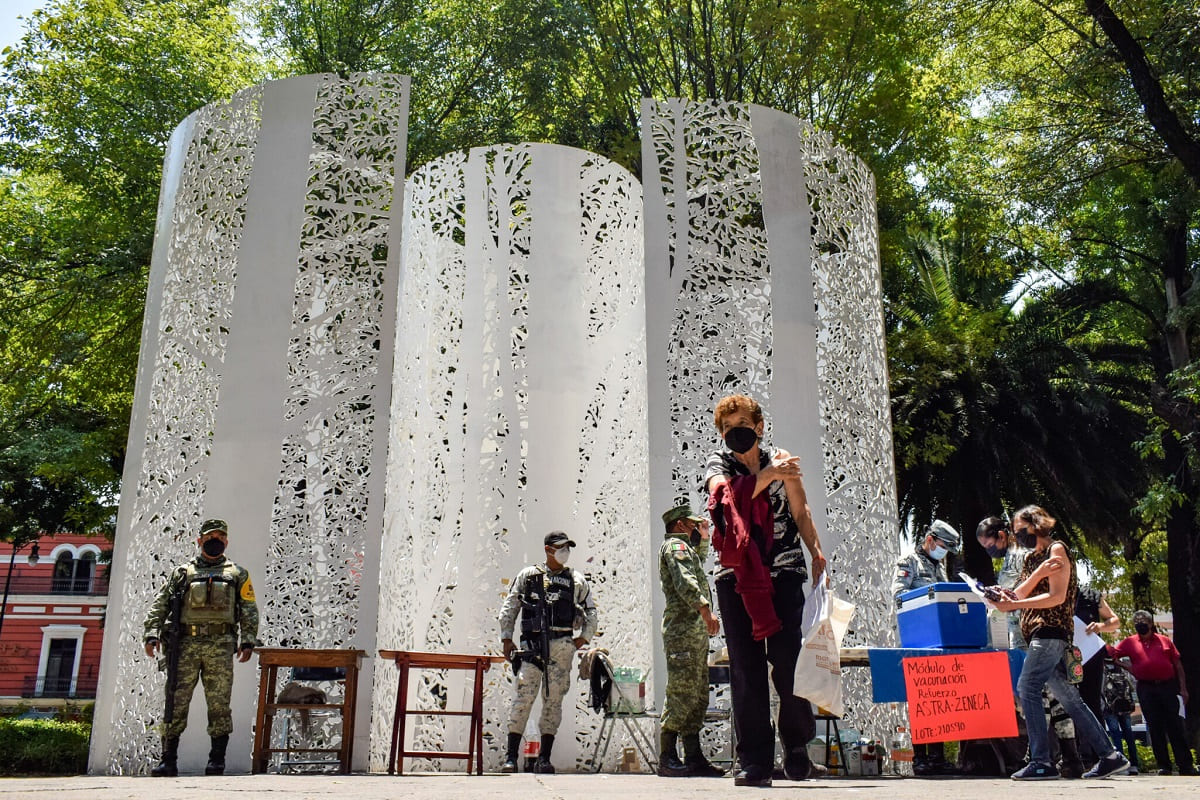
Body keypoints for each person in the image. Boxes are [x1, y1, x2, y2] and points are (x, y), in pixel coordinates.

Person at [703, 394, 827, 787]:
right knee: (746, 669)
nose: (733, 432)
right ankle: (754, 759)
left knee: (789, 663)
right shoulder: (718, 463)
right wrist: (770, 476)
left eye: (740, 423)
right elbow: (725, 498)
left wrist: (816, 551)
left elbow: (799, 510)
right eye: (726, 428)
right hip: (737, 577)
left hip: (784, 571)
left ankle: (796, 747)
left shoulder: (781, 458)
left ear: (758, 426)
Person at [993, 505, 1130, 780]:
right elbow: (1019, 593)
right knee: (1071, 699)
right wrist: (1005, 593)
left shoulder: (1057, 550)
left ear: (1037, 525)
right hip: (1037, 633)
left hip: (1051, 632)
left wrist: (1019, 599)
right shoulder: (1034, 559)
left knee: (1027, 687)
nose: (1017, 535)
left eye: (1021, 529)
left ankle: (1041, 761)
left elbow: (1056, 597)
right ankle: (1110, 756)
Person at [143, 519, 259, 777]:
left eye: (219, 536)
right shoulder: (182, 573)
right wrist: (152, 633)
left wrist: (248, 640)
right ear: (199, 541)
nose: (214, 540)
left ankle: (216, 761)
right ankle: (168, 759)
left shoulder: (237, 573)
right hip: (185, 645)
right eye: (209, 537)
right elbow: (160, 604)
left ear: (226, 541)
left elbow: (249, 609)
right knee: (175, 702)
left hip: (220, 645)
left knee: (219, 704)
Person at [977, 516, 1084, 777]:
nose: (989, 550)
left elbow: (1022, 593)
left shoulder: (1023, 556)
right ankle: (1068, 757)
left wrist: (1001, 597)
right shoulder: (1022, 555)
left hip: (1033, 633)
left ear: (1003, 535)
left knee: (1036, 695)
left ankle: (1041, 757)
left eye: (990, 544)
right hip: (1032, 631)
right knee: (1054, 695)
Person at [498, 530, 599, 774]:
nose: (565, 551)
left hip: (561, 644)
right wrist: (506, 638)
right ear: (548, 549)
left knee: (554, 702)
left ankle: (544, 758)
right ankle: (511, 757)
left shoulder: (575, 579)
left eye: (568, 547)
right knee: (524, 698)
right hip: (531, 645)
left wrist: (582, 638)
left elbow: (591, 611)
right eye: (561, 547)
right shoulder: (529, 575)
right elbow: (510, 606)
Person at [656, 504, 726, 777]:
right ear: (680, 525)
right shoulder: (675, 547)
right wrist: (706, 610)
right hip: (682, 630)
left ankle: (694, 756)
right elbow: (686, 581)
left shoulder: (684, 549)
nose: (697, 527)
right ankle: (667, 756)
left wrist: (705, 538)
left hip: (691, 632)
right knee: (681, 691)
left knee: (697, 694)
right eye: (693, 524)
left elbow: (695, 563)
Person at [891, 519, 961, 776]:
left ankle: (938, 757)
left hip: (940, 641)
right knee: (921, 700)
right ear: (930, 539)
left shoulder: (939, 567)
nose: (944, 553)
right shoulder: (909, 561)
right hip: (916, 640)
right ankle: (920, 758)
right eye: (943, 546)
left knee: (939, 700)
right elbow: (898, 595)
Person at [1108, 610, 1197, 776]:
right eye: (1137, 621)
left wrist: (1183, 688)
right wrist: (1129, 667)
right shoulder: (1129, 642)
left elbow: (1178, 665)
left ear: (1151, 624)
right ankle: (1164, 765)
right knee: (1155, 727)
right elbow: (1112, 655)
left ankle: (1186, 765)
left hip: (1168, 687)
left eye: (1144, 621)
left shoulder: (1164, 641)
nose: (1140, 623)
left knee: (1175, 726)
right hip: (1146, 688)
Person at [1074, 585, 1120, 760]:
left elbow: (1114, 621)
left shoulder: (1091, 595)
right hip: (1064, 654)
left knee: (1091, 701)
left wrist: (1100, 626)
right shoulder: (1052, 592)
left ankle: (1099, 753)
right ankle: (1074, 753)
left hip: (1090, 653)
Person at [1101, 655, 1141, 775]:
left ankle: (1121, 764)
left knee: (1115, 735)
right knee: (1129, 734)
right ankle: (1134, 764)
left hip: (1110, 707)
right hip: (1124, 706)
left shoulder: (1101, 667)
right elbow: (1131, 686)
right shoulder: (1121, 666)